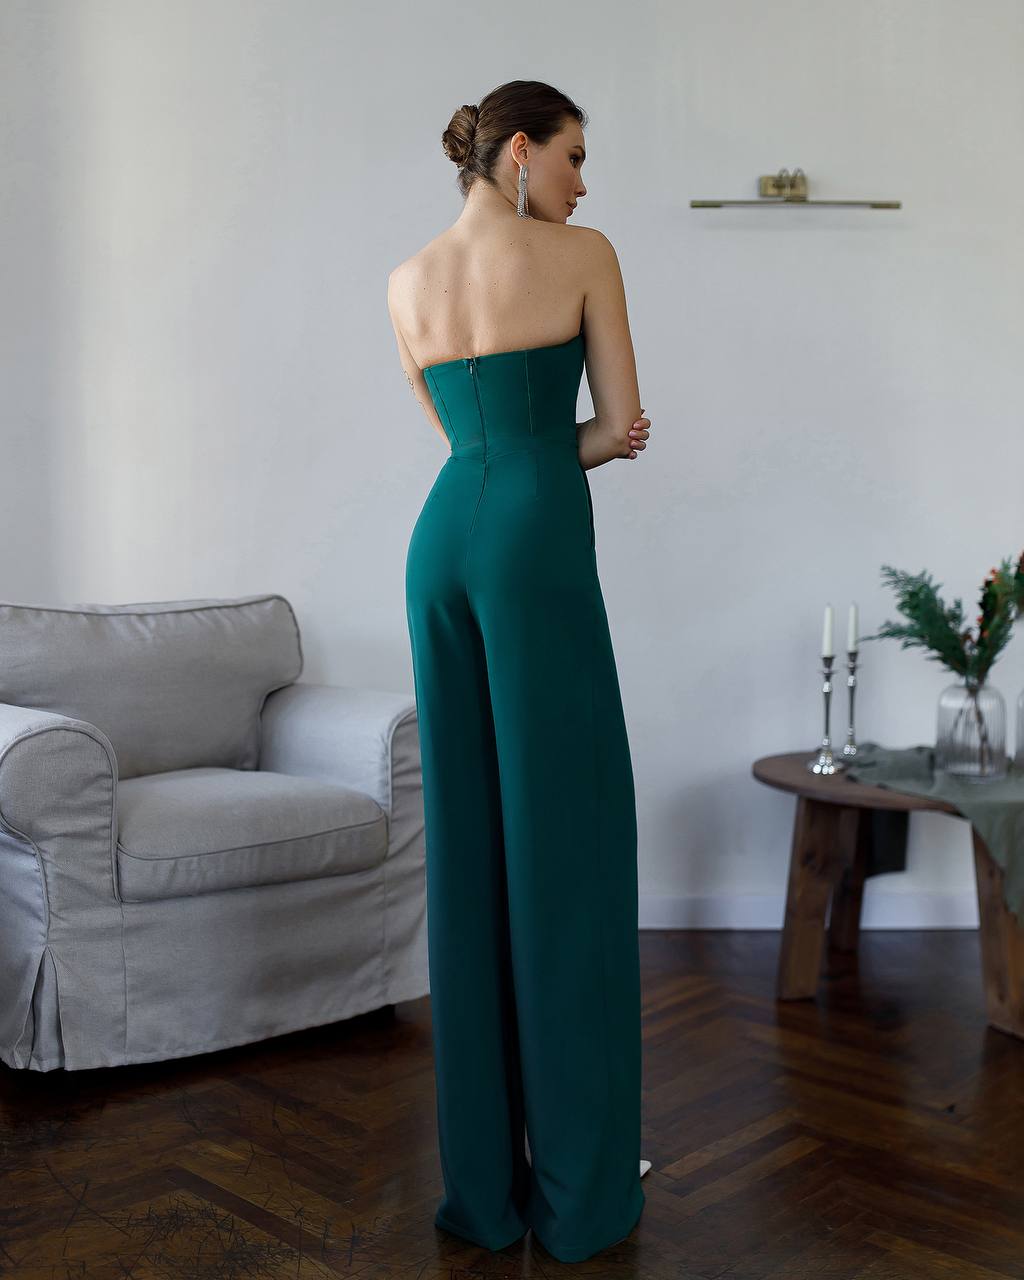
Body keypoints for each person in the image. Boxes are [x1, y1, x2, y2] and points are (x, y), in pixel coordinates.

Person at [387, 78, 653, 1264]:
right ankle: (587, 1190)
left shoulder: (405, 282)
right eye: (574, 157)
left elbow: (465, 447)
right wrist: (604, 441)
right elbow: (607, 427)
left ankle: (485, 1196)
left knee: (472, 847)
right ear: (519, 154)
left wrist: (535, 449)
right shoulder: (582, 253)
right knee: (571, 841)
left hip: (439, 545)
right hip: (537, 541)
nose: (583, 183)